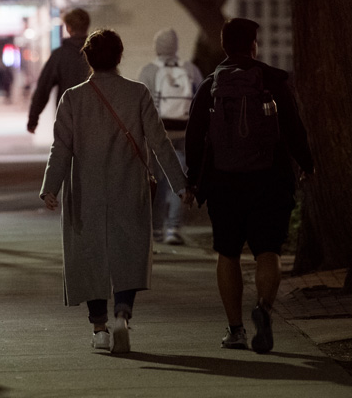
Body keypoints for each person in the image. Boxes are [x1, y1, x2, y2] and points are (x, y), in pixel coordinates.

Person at [40, 29, 187, 354]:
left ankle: (100, 328)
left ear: (88, 59)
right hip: (128, 187)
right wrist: (180, 184)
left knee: (90, 255)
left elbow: (60, 148)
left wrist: (50, 188)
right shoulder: (138, 93)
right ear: (119, 57)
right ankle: (122, 313)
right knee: (129, 251)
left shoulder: (73, 98)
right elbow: (160, 143)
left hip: (86, 190)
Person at [184, 18, 314, 354]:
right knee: (267, 251)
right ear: (253, 44)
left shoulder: (211, 85)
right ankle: (264, 309)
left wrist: (194, 181)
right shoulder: (273, 81)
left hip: (224, 181)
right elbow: (294, 129)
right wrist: (308, 165)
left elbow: (194, 136)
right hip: (269, 180)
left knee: (227, 253)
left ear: (225, 47)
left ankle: (236, 330)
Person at [137, 28, 202, 245]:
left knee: (159, 181)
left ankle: (155, 229)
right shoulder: (190, 69)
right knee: (180, 181)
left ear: (157, 47)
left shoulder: (148, 71)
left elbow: (141, 106)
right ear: (175, 47)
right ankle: (173, 229)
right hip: (183, 132)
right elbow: (199, 101)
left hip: (158, 133)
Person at [27, 8, 91, 134]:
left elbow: (43, 88)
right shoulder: (99, 53)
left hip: (67, 118)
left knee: (68, 152)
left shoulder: (59, 55)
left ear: (68, 28)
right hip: (96, 118)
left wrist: (33, 119)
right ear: (87, 26)